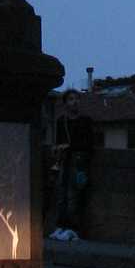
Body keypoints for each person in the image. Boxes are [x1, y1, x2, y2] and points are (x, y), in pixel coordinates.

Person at [50, 90, 94, 240]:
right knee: (61, 194)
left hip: (78, 160)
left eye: (76, 99)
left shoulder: (85, 121)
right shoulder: (61, 121)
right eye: (71, 99)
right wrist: (59, 149)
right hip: (64, 159)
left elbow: (88, 143)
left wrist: (69, 146)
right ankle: (60, 226)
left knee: (73, 194)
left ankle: (72, 229)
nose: (74, 102)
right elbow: (58, 140)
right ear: (65, 103)